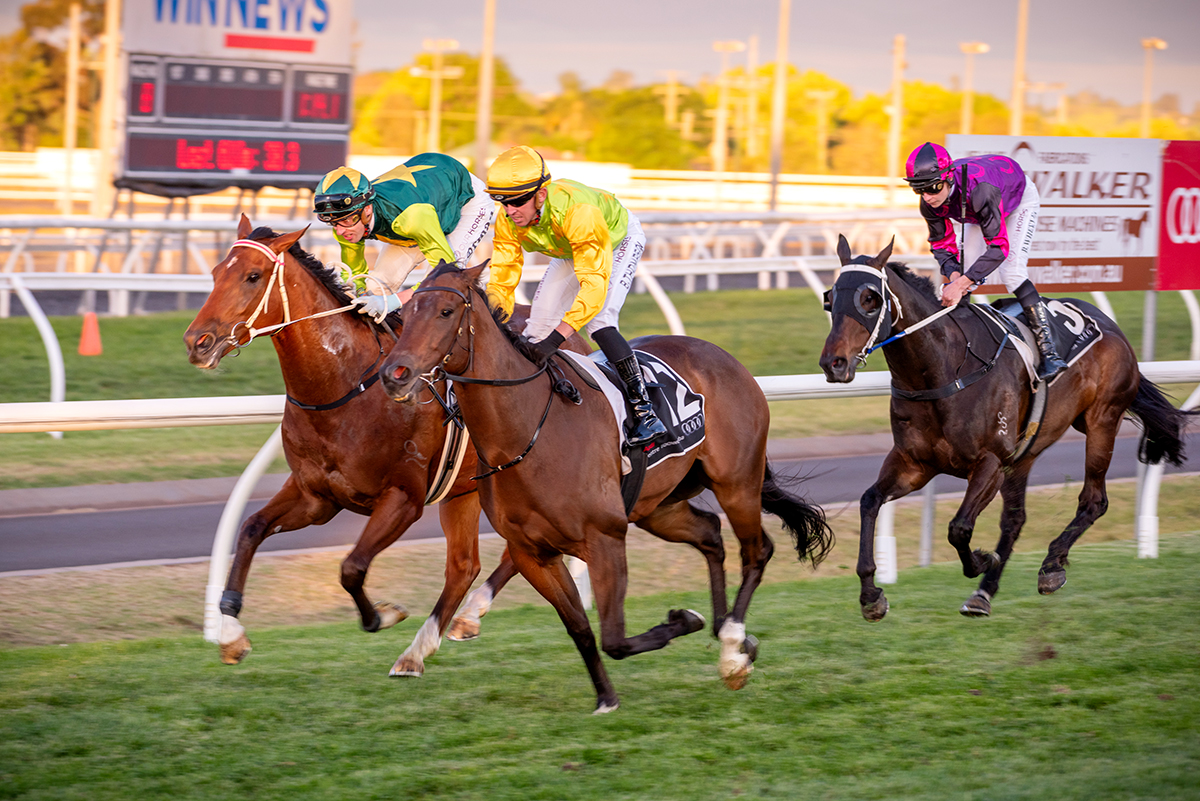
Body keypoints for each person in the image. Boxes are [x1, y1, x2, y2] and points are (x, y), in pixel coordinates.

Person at [483, 145, 668, 446]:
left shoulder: (579, 212)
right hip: (569, 247)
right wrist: (494, 321)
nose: (509, 210)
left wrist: (555, 340)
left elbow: (592, 290)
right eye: (501, 202)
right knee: (536, 329)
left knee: (600, 319)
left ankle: (644, 409)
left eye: (516, 201)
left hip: (613, 239)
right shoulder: (508, 218)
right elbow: (502, 279)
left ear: (540, 195)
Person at [905, 141, 1068, 381]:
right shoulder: (930, 201)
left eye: (933, 188)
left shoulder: (981, 191)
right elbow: (941, 244)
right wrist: (955, 277)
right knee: (963, 273)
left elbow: (999, 248)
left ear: (948, 177)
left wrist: (960, 285)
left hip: (1015, 198)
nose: (927, 197)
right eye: (920, 190)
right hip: (975, 207)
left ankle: (1049, 352)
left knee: (1011, 272)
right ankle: (961, 348)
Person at [312, 152, 495, 321]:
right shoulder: (345, 221)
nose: (340, 231)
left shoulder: (410, 218)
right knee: (376, 288)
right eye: (333, 223)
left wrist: (393, 302)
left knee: (442, 288)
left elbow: (444, 275)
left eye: (345, 221)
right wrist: (360, 293)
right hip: (422, 205)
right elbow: (354, 276)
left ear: (367, 210)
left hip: (464, 201)